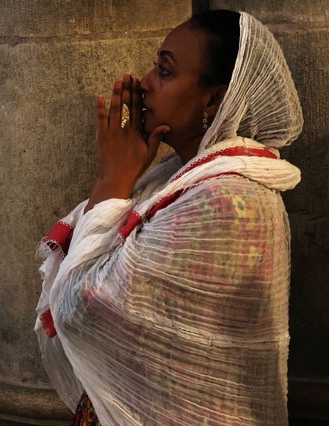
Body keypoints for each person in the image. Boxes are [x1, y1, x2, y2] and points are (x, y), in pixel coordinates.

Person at [34, 9, 302, 426]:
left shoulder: (228, 202)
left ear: (213, 99)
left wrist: (114, 178)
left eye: (165, 71)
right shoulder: (176, 181)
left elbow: (77, 309)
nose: (144, 83)